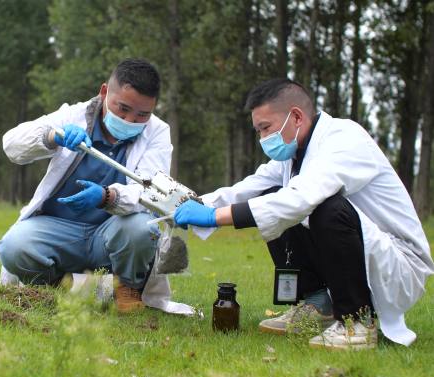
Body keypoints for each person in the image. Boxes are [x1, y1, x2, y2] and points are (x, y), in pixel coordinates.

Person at [174, 78, 433, 350]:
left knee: (323, 207)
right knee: (271, 195)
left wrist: (214, 218)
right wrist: (191, 205)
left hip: (399, 265)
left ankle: (355, 322)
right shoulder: (294, 154)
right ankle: (318, 305)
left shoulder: (345, 139)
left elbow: (301, 197)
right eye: (258, 131)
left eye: (266, 128)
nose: (263, 139)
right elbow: (248, 188)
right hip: (366, 251)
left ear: (296, 116)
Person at [0, 58, 171, 314]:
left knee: (142, 227)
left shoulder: (157, 132)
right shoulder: (73, 116)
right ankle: (60, 288)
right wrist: (52, 137)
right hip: (60, 230)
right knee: (14, 246)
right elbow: (11, 144)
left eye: (142, 114)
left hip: (110, 232)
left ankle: (126, 291)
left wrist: (107, 197)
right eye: (122, 108)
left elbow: (152, 191)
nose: (130, 120)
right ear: (104, 92)